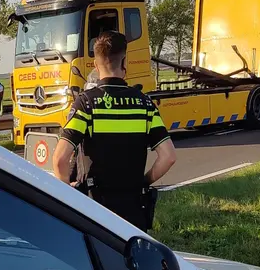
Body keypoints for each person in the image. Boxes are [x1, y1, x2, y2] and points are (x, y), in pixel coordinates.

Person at [53, 31, 177, 231]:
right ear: (124, 62)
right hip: (134, 208)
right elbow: (169, 157)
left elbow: (60, 159)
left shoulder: (86, 103)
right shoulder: (144, 103)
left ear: (95, 64)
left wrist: (68, 194)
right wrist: (143, 181)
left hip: (95, 209)